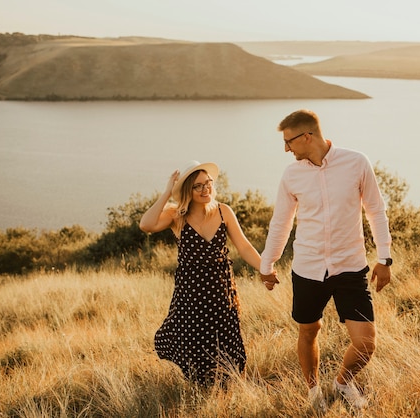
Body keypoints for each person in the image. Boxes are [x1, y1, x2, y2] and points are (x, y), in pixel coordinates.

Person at [259, 109, 392, 412]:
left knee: (366, 342)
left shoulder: (356, 162)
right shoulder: (291, 174)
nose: (286, 149)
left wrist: (385, 257)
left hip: (350, 267)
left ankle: (343, 383)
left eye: (289, 141)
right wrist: (267, 265)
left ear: (307, 136)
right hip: (307, 267)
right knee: (309, 330)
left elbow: (376, 211)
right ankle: (312, 390)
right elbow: (280, 222)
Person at [140, 160, 265, 385]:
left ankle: (230, 390)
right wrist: (168, 191)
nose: (206, 189)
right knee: (195, 344)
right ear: (188, 190)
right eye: (198, 186)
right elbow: (146, 225)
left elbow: (244, 247)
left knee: (227, 342)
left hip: (221, 290)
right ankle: (202, 390)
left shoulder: (223, 211)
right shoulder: (176, 215)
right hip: (191, 294)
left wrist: (265, 269)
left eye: (208, 183)